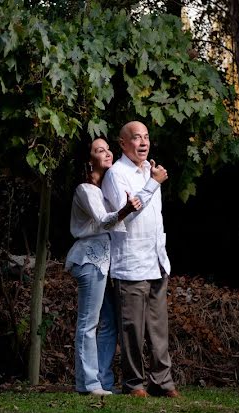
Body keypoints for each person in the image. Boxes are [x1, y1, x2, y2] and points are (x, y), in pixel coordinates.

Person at [65, 138, 155, 396]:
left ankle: (103, 381)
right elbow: (105, 221)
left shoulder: (104, 188)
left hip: (105, 261)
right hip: (90, 258)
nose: (107, 153)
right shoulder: (85, 190)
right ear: (88, 160)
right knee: (89, 323)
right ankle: (88, 384)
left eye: (107, 148)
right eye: (99, 150)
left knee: (109, 324)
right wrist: (126, 209)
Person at [101, 121, 178, 398]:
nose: (143, 143)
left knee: (159, 328)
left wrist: (152, 179)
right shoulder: (116, 175)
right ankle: (134, 383)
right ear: (123, 144)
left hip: (156, 261)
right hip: (130, 262)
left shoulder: (149, 170)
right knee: (132, 329)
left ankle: (162, 382)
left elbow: (153, 219)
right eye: (136, 138)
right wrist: (152, 184)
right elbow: (127, 214)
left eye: (146, 137)